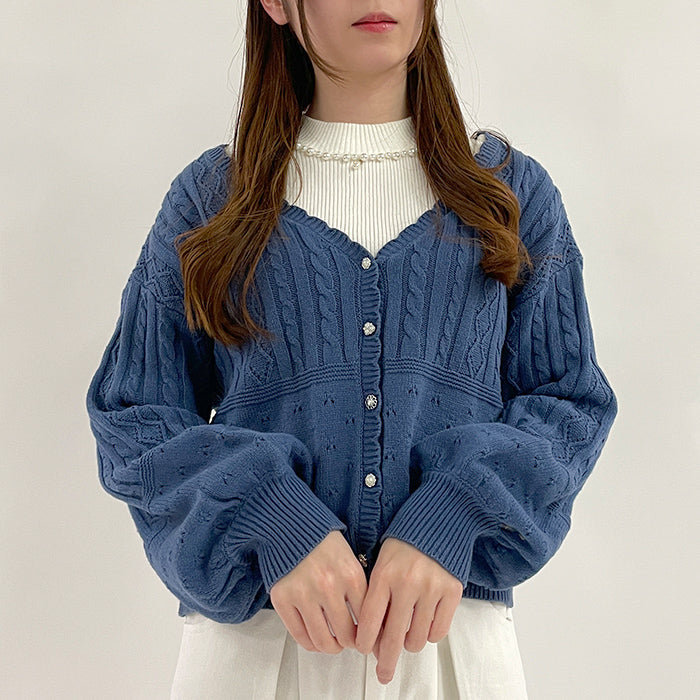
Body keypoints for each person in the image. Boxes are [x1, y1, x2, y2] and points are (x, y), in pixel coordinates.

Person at [85, 1, 618, 697]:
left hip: (451, 652)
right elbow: (134, 415)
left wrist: (455, 513)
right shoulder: (212, 201)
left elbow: (568, 402)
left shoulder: (509, 194)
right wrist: (268, 518)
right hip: (257, 653)